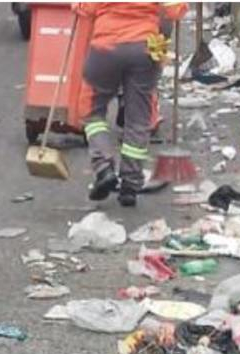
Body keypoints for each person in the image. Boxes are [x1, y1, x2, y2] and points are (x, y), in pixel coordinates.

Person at [76, 2, 186, 206]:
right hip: (144, 48)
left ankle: (104, 167)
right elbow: (174, 10)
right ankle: (130, 184)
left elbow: (84, 8)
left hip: (105, 47)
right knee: (138, 118)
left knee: (92, 112)